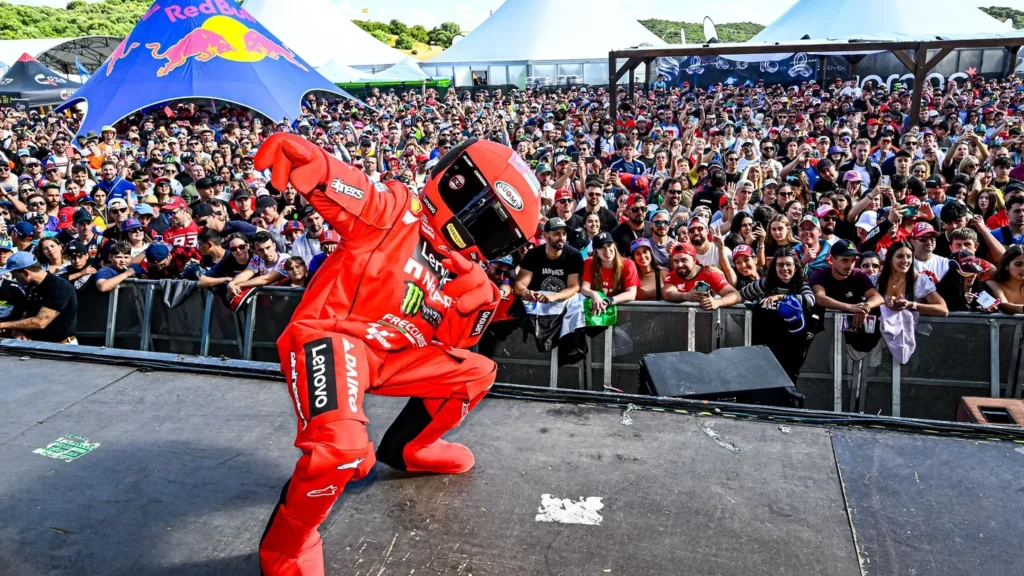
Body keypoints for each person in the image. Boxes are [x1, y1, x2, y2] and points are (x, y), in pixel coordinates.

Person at [253, 133, 541, 576]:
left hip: (393, 356)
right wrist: (311, 161)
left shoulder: (471, 276)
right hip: (334, 338)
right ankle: (286, 550)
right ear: (458, 184)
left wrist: (478, 310)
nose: (482, 234)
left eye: (497, 233)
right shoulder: (396, 211)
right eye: (487, 221)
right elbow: (353, 190)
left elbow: (452, 347)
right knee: (342, 452)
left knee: (477, 373)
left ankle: (408, 448)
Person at [739, 248, 817, 383]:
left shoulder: (800, 284)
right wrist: (719, 301)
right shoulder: (765, 283)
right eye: (780, 265)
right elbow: (740, 295)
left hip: (792, 345)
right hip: (766, 343)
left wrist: (781, 297)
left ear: (796, 267)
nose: (784, 268)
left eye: (788, 264)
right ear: (774, 267)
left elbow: (810, 300)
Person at [0, 251, 78, 344]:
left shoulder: (59, 287)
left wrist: (3, 325)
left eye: (14, 274)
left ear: (26, 272)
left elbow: (40, 322)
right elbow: (28, 314)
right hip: (37, 344)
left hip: (61, 346)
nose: (14, 277)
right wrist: (18, 330)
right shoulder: (32, 286)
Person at [515, 217, 584, 304]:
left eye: (564, 234)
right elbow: (518, 285)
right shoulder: (533, 254)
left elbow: (574, 287)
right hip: (536, 304)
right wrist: (526, 292)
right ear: (545, 235)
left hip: (563, 304)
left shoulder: (574, 255)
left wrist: (553, 296)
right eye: (557, 234)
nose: (562, 238)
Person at [874, 241, 948, 316]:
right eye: (900, 256)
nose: (905, 261)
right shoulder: (875, 280)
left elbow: (943, 310)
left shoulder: (920, 281)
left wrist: (912, 305)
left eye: (909, 256)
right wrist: (883, 304)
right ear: (890, 259)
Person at [663, 242, 740, 310]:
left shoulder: (709, 273)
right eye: (676, 261)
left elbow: (735, 295)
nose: (680, 265)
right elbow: (667, 293)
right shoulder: (672, 276)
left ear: (694, 260)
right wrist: (686, 296)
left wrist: (718, 302)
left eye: (684, 260)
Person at [580, 232, 640, 312]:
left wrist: (609, 301)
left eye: (609, 245)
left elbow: (631, 294)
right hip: (597, 314)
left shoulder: (628, 264)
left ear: (614, 246)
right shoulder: (589, 263)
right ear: (596, 253)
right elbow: (584, 288)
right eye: (602, 247)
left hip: (621, 313)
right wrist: (593, 294)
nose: (607, 250)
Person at [986, 245, 1024, 315]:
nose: (1023, 269)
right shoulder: (993, 284)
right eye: (1018, 264)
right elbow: (1003, 305)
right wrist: (1021, 308)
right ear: (1006, 265)